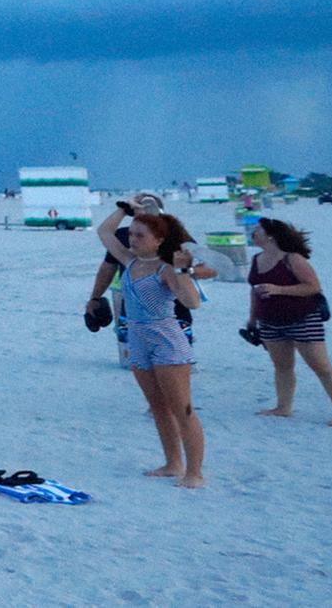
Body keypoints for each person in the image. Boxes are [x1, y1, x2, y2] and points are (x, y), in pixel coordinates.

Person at [99, 203, 205, 488]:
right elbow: (105, 231)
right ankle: (173, 463)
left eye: (140, 236)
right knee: (158, 406)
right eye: (132, 235)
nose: (132, 240)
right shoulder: (129, 261)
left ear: (158, 240)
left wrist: (183, 271)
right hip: (137, 337)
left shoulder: (165, 268)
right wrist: (124, 209)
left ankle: (194, 472)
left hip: (166, 338)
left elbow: (192, 302)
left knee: (181, 408)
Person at [83, 191, 214, 361]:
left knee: (173, 373)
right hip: (134, 321)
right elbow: (107, 265)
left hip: (173, 320)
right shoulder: (126, 242)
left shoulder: (176, 238)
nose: (134, 238)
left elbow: (208, 270)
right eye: (138, 215)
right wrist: (95, 298)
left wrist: (185, 271)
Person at [245, 218, 332, 425]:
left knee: (320, 365)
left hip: (303, 318)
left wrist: (278, 289)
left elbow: (313, 287)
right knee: (282, 365)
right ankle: (284, 407)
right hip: (270, 320)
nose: (253, 233)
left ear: (271, 235)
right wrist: (252, 318)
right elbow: (255, 291)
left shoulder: (292, 259)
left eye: (258, 230)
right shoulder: (257, 259)